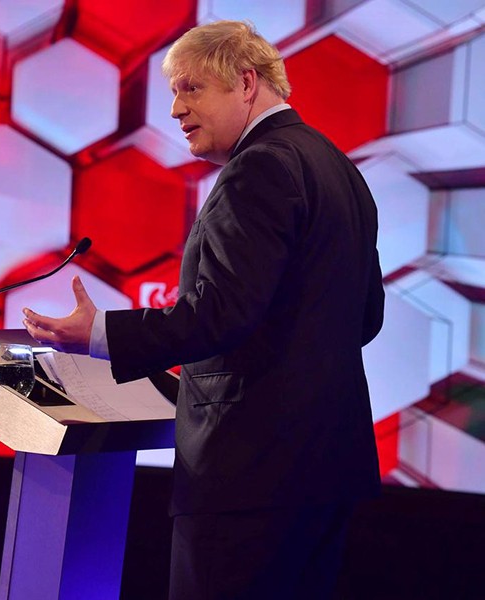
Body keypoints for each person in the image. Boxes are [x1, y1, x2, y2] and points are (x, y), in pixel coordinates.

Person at [22, 20, 385, 599]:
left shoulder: (259, 167)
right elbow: (366, 317)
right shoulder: (335, 165)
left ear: (246, 82)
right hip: (326, 470)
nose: (174, 109)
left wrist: (102, 333)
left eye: (191, 89)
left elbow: (222, 315)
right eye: (174, 92)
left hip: (249, 476)